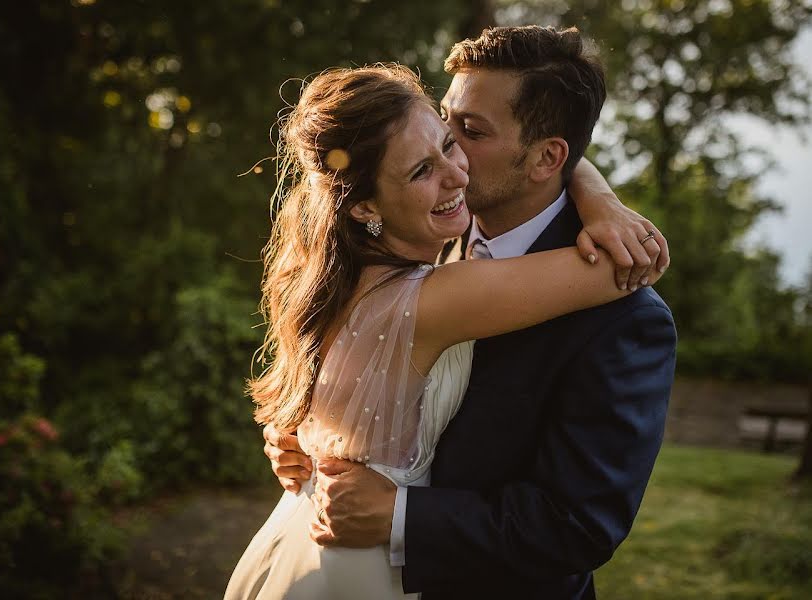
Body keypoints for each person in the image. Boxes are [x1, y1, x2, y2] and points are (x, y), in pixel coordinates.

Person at [230, 27, 674, 600]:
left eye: (467, 133)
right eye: (448, 123)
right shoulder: (422, 232)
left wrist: (398, 515)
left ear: (547, 157)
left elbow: (576, 526)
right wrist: (311, 446)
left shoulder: (626, 322)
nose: (455, 160)